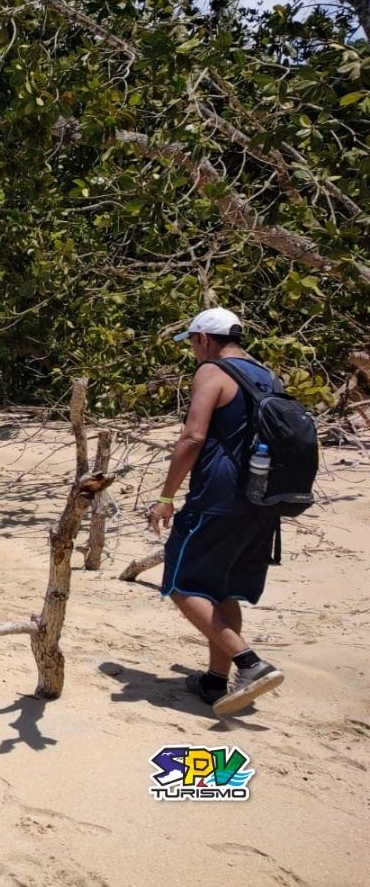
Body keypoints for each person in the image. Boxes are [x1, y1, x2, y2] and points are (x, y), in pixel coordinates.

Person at [148, 307, 285, 716]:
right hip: (262, 498)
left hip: (218, 494)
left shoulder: (212, 372)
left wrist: (167, 496)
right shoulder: (267, 375)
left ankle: (250, 663)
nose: (192, 350)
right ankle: (214, 679)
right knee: (221, 588)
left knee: (181, 582)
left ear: (205, 339)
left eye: (192, 342)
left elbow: (193, 436)